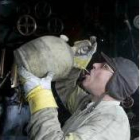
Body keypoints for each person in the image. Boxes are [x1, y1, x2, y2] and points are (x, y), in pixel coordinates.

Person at [17, 39, 139, 140]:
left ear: (115, 85)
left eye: (105, 66)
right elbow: (67, 88)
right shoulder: (93, 105)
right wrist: (77, 63)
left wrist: (39, 94)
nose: (95, 64)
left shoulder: (112, 124)